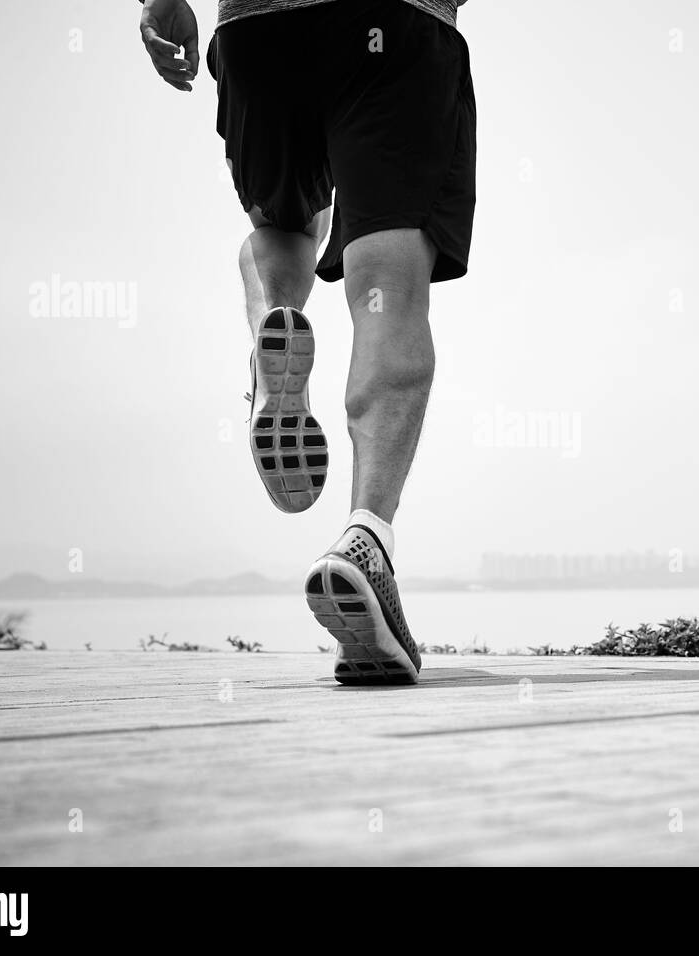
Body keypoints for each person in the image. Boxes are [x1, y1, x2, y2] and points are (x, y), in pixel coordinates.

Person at [137, 0, 475, 684]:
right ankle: (366, 541)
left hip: (259, 31)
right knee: (388, 279)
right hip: (396, 23)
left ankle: (273, 321)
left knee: (285, 228)